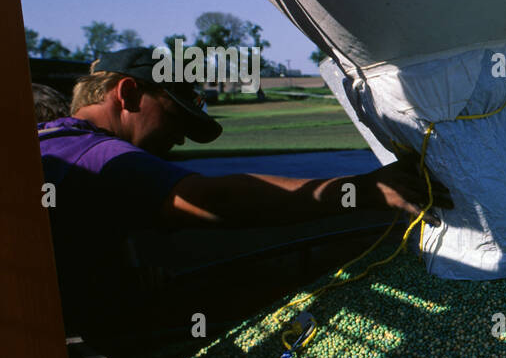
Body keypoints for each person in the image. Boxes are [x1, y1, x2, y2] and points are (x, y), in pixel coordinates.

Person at [39, 47, 451, 338]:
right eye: (174, 116)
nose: (179, 140)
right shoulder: (96, 155)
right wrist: (363, 190)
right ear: (128, 93)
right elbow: (216, 201)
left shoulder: (53, 143)